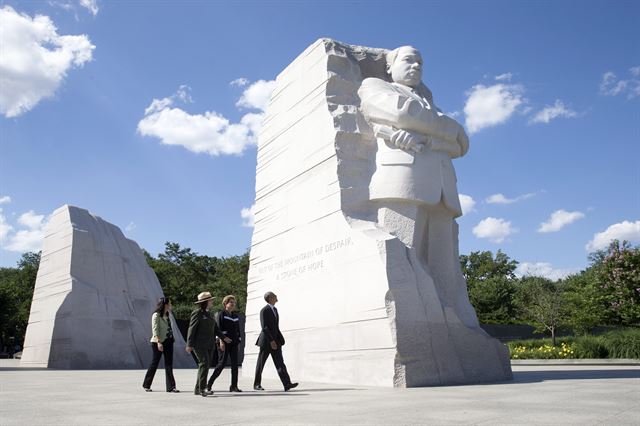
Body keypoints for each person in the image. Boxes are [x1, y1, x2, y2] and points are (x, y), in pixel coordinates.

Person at [357, 46, 475, 323]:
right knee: (401, 258)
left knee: (445, 269)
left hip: (443, 190)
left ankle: (450, 325)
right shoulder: (375, 85)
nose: (416, 66)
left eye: (420, 62)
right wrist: (445, 130)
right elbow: (402, 114)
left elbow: (461, 143)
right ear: (390, 66)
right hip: (402, 182)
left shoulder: (433, 108)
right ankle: (412, 324)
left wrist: (431, 136)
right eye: (409, 60)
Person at [253, 291, 298, 391]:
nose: (276, 296)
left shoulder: (275, 310)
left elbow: (275, 327)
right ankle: (257, 384)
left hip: (276, 341)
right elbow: (264, 327)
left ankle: (287, 384)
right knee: (260, 364)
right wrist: (271, 340)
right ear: (269, 298)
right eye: (274, 295)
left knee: (280, 363)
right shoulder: (264, 310)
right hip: (266, 342)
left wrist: (278, 339)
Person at [186, 291, 220, 397]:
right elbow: (192, 329)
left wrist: (223, 337)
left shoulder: (209, 313)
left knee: (204, 365)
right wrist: (189, 344)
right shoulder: (197, 313)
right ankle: (202, 388)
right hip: (199, 344)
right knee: (204, 364)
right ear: (205, 302)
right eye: (210, 300)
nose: (212, 301)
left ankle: (198, 388)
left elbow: (215, 328)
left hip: (209, 344)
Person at [142, 297, 179, 393]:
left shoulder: (168, 315)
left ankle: (171, 387)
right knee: (155, 363)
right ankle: (146, 384)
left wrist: (172, 337)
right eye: (169, 303)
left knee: (169, 364)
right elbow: (155, 329)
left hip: (169, 341)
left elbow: (169, 327)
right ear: (165, 304)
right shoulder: (156, 315)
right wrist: (159, 342)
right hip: (158, 342)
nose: (171, 305)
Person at [207, 295, 242, 392]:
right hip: (224, 342)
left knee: (235, 365)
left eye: (234, 303)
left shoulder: (235, 316)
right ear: (225, 303)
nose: (233, 304)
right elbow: (217, 329)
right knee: (221, 364)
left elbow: (238, 331)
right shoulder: (221, 314)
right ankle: (208, 384)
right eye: (231, 302)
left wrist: (238, 342)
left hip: (234, 343)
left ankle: (234, 386)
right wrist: (221, 341)